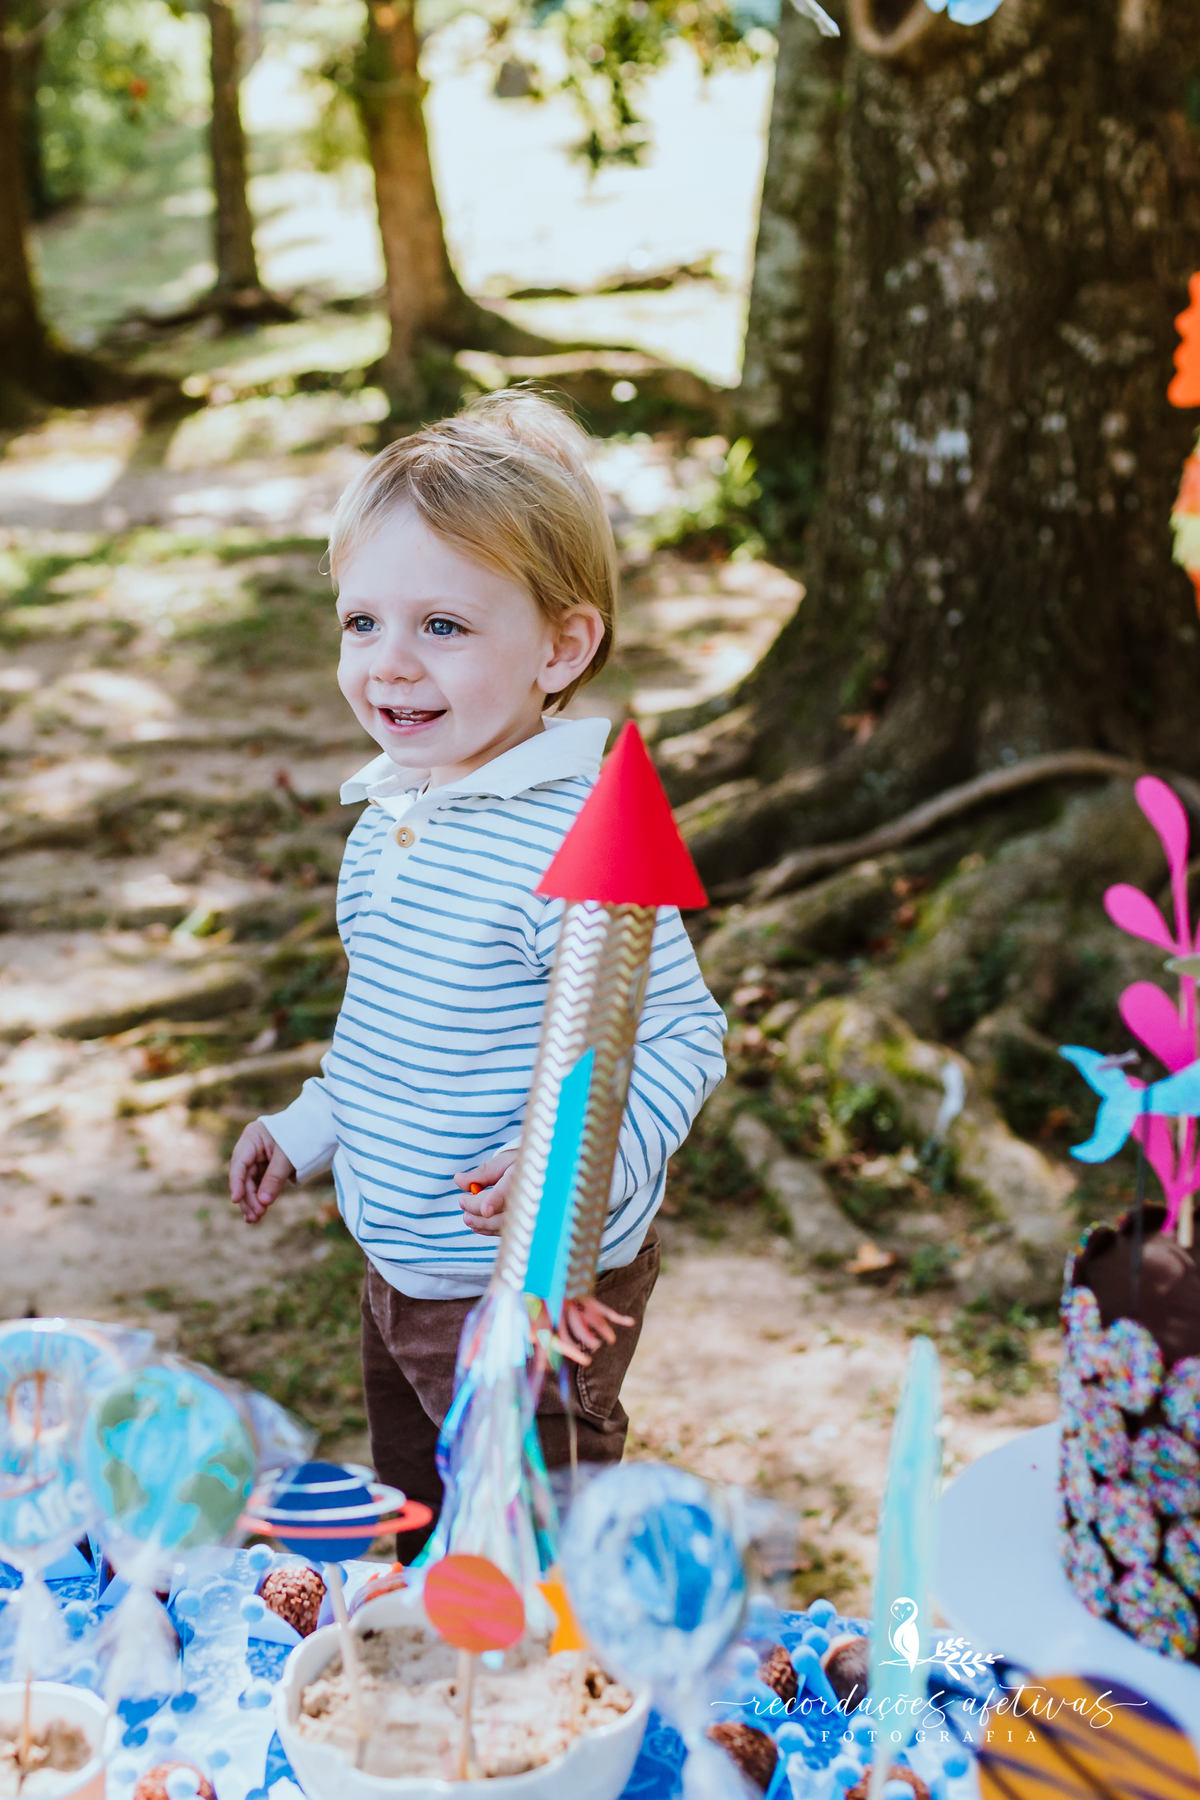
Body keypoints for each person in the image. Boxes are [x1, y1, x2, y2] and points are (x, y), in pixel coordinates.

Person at [228, 388, 726, 1551]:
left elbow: (679, 1038)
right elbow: (393, 1023)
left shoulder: (574, 838)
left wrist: (580, 1160)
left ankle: (554, 1714)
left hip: (532, 1296)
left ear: (563, 645)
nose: (389, 667)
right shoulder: (394, 811)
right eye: (362, 624)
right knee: (424, 1515)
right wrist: (313, 1125)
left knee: (530, 1554)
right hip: (399, 1266)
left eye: (442, 628)